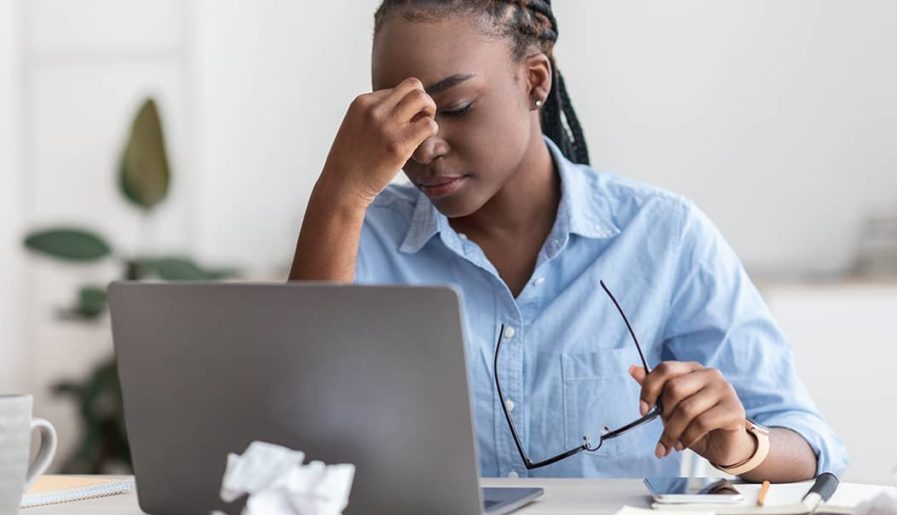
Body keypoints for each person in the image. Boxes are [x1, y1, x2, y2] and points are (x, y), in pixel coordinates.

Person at [290, 0, 846, 481]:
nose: (424, 146)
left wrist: (741, 445)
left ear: (535, 80)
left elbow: (811, 443)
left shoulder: (662, 236)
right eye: (399, 116)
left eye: (455, 108)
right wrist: (338, 193)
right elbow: (287, 442)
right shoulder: (357, 232)